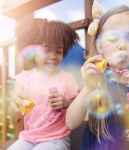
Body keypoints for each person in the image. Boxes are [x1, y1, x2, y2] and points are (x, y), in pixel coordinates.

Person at [66, 5, 129, 150]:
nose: (122, 45)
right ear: (99, 46)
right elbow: (70, 122)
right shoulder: (96, 79)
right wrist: (88, 88)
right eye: (112, 37)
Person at [8, 18, 79, 150]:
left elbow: (78, 109)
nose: (53, 56)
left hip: (56, 139)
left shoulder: (67, 79)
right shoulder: (24, 78)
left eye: (58, 51)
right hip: (28, 138)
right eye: (46, 50)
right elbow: (14, 112)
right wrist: (15, 106)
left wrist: (67, 104)